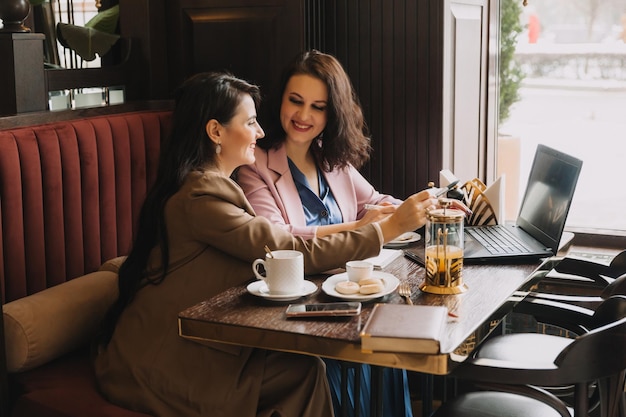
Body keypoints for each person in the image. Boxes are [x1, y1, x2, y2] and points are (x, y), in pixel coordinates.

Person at [94, 71, 437, 417]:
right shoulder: (201, 197)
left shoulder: (213, 186)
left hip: (200, 340)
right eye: (251, 122)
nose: (260, 131)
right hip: (160, 360)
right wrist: (389, 227)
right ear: (216, 131)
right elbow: (289, 250)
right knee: (307, 371)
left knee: (313, 367)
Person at [236, 50, 411, 417]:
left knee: (390, 349)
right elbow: (278, 236)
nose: (304, 116)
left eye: (318, 107)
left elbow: (375, 201)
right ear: (280, 99)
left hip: (350, 300)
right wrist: (361, 228)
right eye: (295, 101)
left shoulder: (330, 158)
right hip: (300, 311)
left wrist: (420, 207)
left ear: (332, 114)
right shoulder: (257, 167)